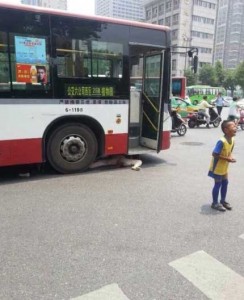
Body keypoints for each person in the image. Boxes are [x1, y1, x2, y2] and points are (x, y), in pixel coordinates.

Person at [208, 120, 237, 211]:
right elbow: (214, 154)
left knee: (225, 183)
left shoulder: (232, 139)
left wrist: (231, 157)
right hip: (217, 167)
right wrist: (227, 159)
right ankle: (215, 203)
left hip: (224, 166)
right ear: (226, 130)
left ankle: (223, 201)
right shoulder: (221, 141)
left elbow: (229, 152)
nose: (235, 128)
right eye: (233, 126)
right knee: (218, 184)